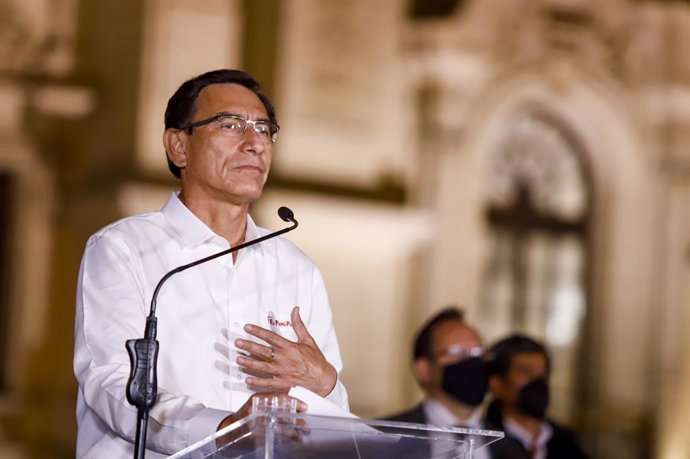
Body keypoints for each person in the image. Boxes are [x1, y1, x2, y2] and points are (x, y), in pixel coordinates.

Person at [73, 69, 349, 458]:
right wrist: (226, 429)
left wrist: (326, 386)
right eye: (231, 125)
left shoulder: (296, 268)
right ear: (178, 146)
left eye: (264, 129)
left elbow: (333, 424)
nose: (255, 143)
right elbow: (113, 385)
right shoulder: (125, 248)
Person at [381, 307, 527, 459]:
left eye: (478, 352)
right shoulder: (379, 439)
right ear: (424, 369)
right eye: (457, 352)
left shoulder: (512, 449)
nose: (473, 362)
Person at [485, 334, 588, 459]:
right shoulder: (484, 441)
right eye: (526, 372)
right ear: (496, 383)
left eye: (543, 373)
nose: (537, 381)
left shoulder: (566, 443)